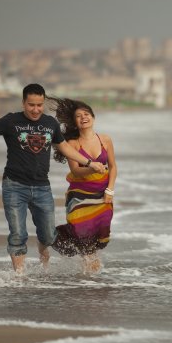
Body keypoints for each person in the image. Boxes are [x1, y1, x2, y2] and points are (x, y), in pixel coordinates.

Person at [0, 84, 106, 273]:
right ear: (23, 102)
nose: (35, 109)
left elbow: (65, 148)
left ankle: (43, 250)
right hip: (14, 186)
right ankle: (20, 276)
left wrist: (89, 163)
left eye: (39, 105)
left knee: (49, 235)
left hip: (42, 187)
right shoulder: (11, 121)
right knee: (17, 234)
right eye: (31, 105)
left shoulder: (50, 123)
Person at [48, 97, 117, 273]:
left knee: (98, 234)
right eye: (78, 116)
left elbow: (113, 166)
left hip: (102, 195)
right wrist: (92, 167)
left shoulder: (105, 139)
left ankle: (89, 273)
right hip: (79, 196)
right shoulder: (73, 143)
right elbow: (76, 171)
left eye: (86, 114)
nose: (83, 117)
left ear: (93, 117)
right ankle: (90, 275)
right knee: (81, 231)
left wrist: (110, 189)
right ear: (75, 122)